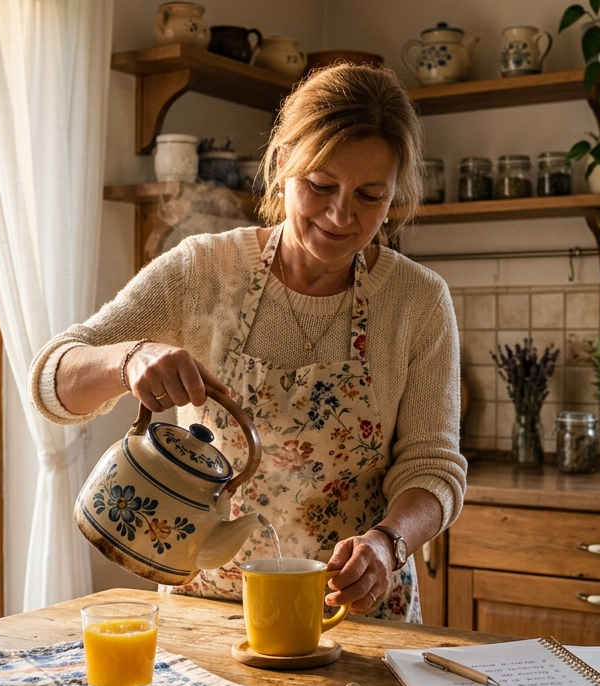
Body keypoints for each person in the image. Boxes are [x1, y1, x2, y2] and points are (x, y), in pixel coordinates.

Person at [28, 63, 465, 622]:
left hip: (353, 618)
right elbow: (50, 382)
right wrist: (127, 358)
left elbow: (434, 467)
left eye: (370, 195)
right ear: (283, 164)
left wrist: (389, 541)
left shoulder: (417, 301)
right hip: (208, 617)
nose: (340, 214)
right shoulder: (203, 271)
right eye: (321, 185)